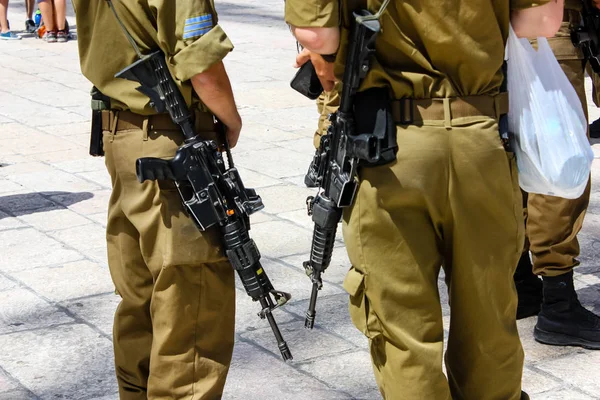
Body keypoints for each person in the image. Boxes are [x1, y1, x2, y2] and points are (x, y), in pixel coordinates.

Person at [286, 1, 563, 399]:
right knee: (489, 316)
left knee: (403, 330)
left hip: (388, 149)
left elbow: (319, 35)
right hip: (480, 138)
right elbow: (542, 20)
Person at [72, 0, 241, 398]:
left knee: (141, 297)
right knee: (190, 303)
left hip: (119, 133)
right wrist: (232, 121)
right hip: (168, 140)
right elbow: (200, 61)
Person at [515, 0, 600, 350]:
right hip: (549, 25)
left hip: (507, 32)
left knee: (522, 157)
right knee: (558, 165)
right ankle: (558, 302)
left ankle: (521, 284)